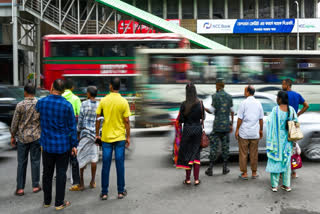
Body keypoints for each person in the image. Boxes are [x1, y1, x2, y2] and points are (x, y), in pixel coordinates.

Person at [36, 79, 78, 210]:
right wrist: (74, 145)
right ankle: (59, 203)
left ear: (51, 87)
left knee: (47, 173)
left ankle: (47, 201)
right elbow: (72, 128)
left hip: (47, 144)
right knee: (61, 173)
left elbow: (37, 116)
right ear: (64, 91)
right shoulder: (67, 105)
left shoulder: (41, 102)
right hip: (63, 146)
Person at [96, 77, 131, 200]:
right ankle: (120, 191)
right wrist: (128, 137)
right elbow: (127, 121)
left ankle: (104, 192)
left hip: (106, 138)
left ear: (110, 86)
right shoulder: (124, 102)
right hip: (120, 137)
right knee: (120, 165)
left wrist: (97, 134)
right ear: (119, 87)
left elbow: (98, 118)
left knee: (106, 165)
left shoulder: (103, 100)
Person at [10, 83, 41, 196]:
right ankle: (36, 186)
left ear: (25, 92)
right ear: (34, 92)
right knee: (36, 161)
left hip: (22, 138)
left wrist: (13, 135)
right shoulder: (39, 104)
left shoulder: (20, 105)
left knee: (21, 163)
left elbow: (14, 123)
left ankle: (20, 188)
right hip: (36, 136)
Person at [266, 91, 298, 192]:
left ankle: (274, 186)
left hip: (276, 142)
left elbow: (269, 123)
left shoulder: (275, 110)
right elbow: (296, 124)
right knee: (286, 163)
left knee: (275, 162)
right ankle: (286, 185)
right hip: (287, 142)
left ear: (280, 99)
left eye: (277, 98)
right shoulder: (291, 110)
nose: (276, 99)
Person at [176, 83, 203, 185]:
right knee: (196, 154)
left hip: (187, 130)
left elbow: (181, 120)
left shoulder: (183, 104)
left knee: (187, 154)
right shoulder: (200, 103)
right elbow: (202, 117)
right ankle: (196, 179)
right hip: (197, 130)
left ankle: (187, 179)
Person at [205, 79, 234, 176]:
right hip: (226, 126)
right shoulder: (229, 97)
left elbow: (211, 110)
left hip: (217, 126)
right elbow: (232, 111)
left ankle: (210, 168)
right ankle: (225, 168)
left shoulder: (215, 96)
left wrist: (204, 108)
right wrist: (231, 124)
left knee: (214, 146)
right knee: (225, 147)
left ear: (217, 86)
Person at [235, 86, 264, 180]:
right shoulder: (258, 103)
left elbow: (240, 118)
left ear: (248, 92)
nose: (244, 93)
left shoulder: (243, 103)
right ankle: (254, 173)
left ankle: (244, 173)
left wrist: (237, 129)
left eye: (244, 91)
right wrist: (261, 130)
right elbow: (261, 119)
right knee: (254, 153)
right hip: (254, 133)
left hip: (244, 132)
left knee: (243, 153)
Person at [282, 78, 309, 179]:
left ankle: (283, 172)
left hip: (285, 124)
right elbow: (307, 105)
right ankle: (293, 172)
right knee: (293, 148)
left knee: (284, 148)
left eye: (283, 84)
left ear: (287, 85)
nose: (282, 86)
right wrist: (298, 114)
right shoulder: (297, 95)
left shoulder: (283, 95)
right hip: (294, 123)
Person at [77, 86, 99, 191]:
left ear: (89, 94)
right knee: (94, 158)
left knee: (81, 156)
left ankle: (81, 182)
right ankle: (93, 181)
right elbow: (101, 120)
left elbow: (80, 119)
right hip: (95, 135)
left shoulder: (84, 104)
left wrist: (78, 131)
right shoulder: (100, 104)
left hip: (85, 133)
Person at [62, 79, 82, 191]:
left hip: (59, 132)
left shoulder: (60, 98)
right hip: (71, 132)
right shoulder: (75, 99)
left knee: (61, 158)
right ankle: (75, 181)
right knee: (73, 157)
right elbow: (79, 115)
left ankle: (61, 177)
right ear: (72, 88)